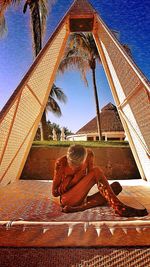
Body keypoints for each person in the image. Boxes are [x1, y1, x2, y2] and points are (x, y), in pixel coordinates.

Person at [52, 144, 148, 217]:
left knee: (116, 187)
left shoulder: (89, 156)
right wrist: (72, 181)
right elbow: (55, 193)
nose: (75, 167)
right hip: (68, 200)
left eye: (79, 164)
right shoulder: (61, 163)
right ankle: (119, 207)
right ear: (67, 158)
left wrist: (80, 178)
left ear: (84, 158)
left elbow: (91, 181)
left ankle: (78, 208)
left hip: (82, 198)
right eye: (72, 163)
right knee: (96, 171)